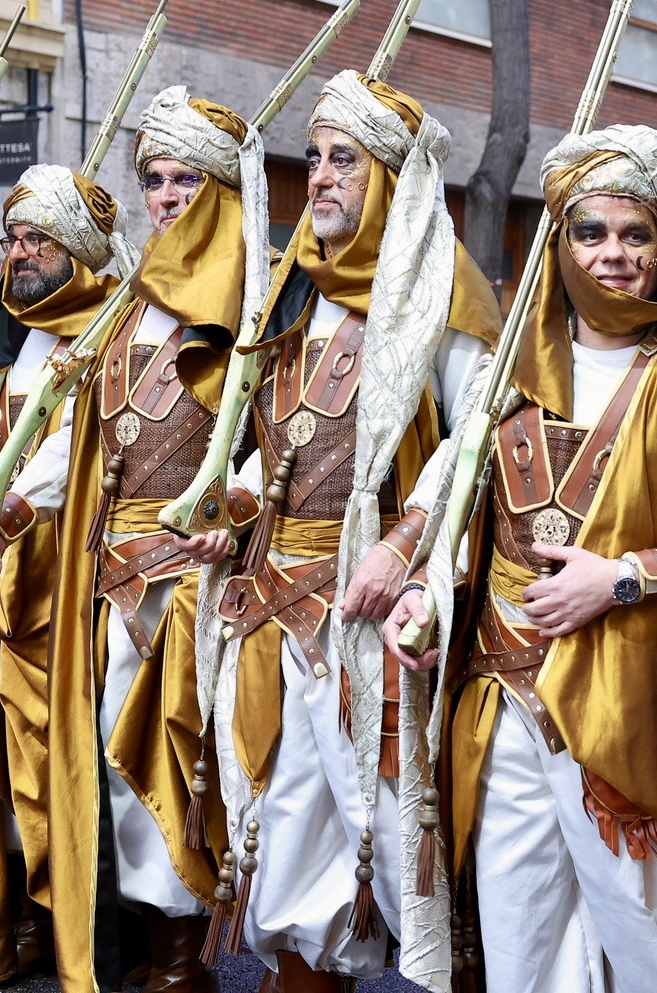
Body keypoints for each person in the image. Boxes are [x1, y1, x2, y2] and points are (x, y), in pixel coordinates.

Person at [379, 126, 657, 991]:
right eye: (590, 232)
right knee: (520, 935)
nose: (613, 255)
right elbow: (457, 488)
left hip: (631, 694)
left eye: (636, 235)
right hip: (501, 689)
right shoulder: (511, 363)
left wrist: (622, 578)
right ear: (561, 242)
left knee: (651, 939)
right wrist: (423, 590)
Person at [178, 70, 502, 990]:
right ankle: (305, 975)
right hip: (272, 596)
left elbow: (476, 439)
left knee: (391, 819)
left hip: (377, 606)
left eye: (344, 161)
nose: (319, 177)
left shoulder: (444, 289)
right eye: (316, 158)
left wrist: (405, 547)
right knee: (284, 808)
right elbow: (272, 434)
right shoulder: (297, 286)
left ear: (392, 177)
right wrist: (235, 506)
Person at [0, 87, 271, 992]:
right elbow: (80, 438)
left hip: (205, 575)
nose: (168, 197)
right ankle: (139, 935)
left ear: (224, 188)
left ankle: (184, 949)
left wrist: (234, 507)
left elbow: (280, 433)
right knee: (108, 755)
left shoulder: (262, 298)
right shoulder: (125, 308)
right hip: (105, 573)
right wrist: (4, 513)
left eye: (188, 180)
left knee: (177, 757)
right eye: (156, 181)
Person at [0, 162, 135, 987]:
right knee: (0, 743)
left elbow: (76, 461)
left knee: (73, 752)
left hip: (73, 575)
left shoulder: (117, 329)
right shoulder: (9, 335)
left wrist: (4, 522)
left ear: (79, 251)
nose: (18, 254)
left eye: (37, 241)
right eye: (12, 239)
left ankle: (87, 923)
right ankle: (18, 910)